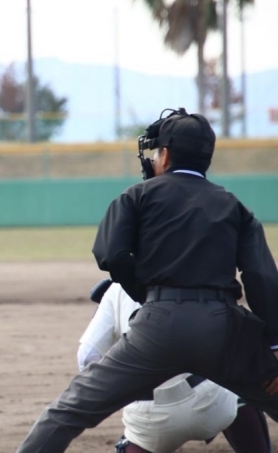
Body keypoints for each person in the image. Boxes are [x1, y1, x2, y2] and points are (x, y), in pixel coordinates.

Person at [16, 107, 278, 452]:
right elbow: (261, 277)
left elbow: (110, 255)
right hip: (223, 332)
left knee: (67, 412)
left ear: (165, 155)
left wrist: (147, 294)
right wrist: (273, 346)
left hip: (157, 329)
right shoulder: (234, 206)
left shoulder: (136, 196)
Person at [79, 280, 271, 453]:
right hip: (209, 402)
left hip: (149, 416)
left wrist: (122, 389)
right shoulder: (195, 279)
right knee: (240, 391)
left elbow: (87, 356)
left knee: (134, 439)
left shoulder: (116, 289)